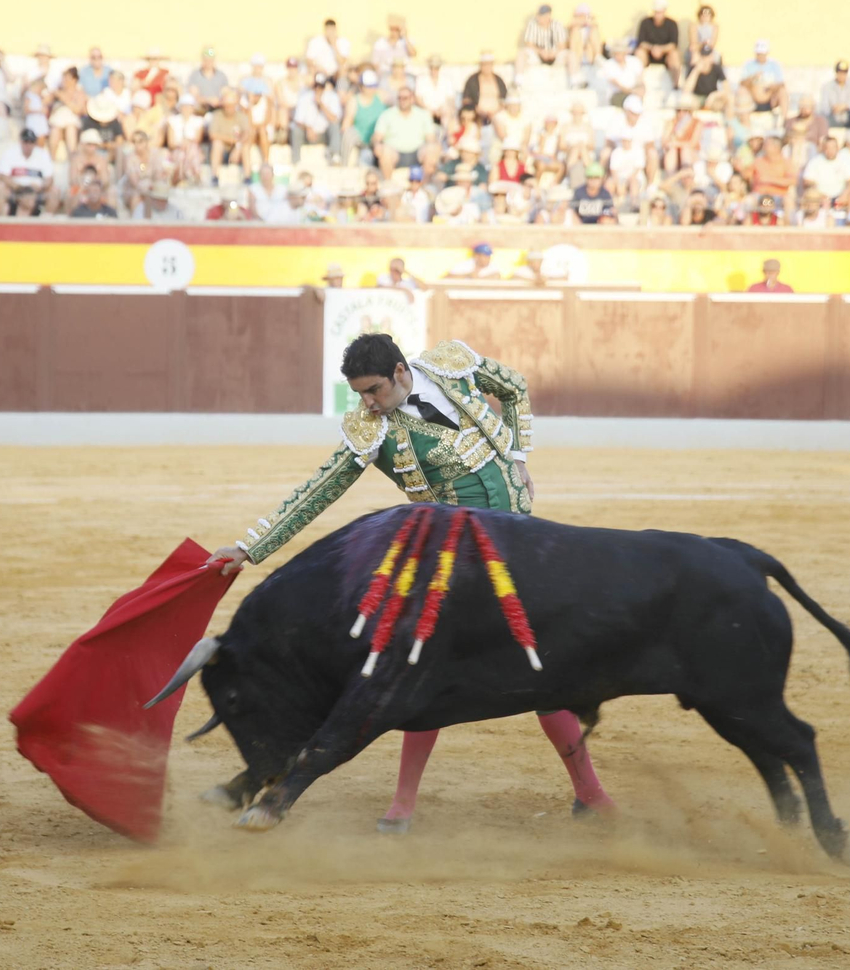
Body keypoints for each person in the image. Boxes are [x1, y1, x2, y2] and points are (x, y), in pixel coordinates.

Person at [206, 333, 614, 833]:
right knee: (423, 664)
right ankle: (401, 805)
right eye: (359, 394)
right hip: (456, 561)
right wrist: (250, 547)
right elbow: (320, 488)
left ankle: (590, 795)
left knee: (546, 669)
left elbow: (513, 387)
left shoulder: (451, 364)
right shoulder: (370, 429)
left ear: (401, 372)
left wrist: (518, 454)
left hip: (523, 547)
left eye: (374, 390)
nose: (368, 403)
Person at [290, 73, 342, 164]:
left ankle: (334, 156)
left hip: (324, 134)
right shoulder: (305, 97)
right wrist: (308, 128)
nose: (318, 89)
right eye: (316, 86)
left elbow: (334, 119)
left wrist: (321, 104)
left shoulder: (332, 97)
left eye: (320, 87)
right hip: (307, 133)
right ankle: (296, 161)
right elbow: (298, 120)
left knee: (335, 126)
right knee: (296, 131)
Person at [636, 0, 682, 87]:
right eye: (656, 12)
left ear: (664, 11)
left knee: (674, 54)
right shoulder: (645, 22)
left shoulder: (672, 24)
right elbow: (641, 42)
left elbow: (673, 44)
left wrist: (660, 50)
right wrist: (652, 48)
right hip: (648, 54)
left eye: (660, 12)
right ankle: (639, 83)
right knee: (639, 53)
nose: (657, 15)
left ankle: (675, 85)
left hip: (665, 55)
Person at [460, 52, 508, 127]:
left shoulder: (499, 80)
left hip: (497, 114)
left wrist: (496, 111)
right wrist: (477, 110)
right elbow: (466, 99)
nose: (487, 67)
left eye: (489, 64)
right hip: (478, 115)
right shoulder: (472, 80)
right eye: (484, 64)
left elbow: (505, 99)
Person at [740, 39, 786, 116]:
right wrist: (753, 78)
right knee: (742, 91)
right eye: (759, 54)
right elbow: (742, 83)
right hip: (753, 97)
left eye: (762, 54)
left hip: (771, 97)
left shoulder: (774, 65)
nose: (760, 56)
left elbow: (781, 83)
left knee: (783, 92)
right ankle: (745, 122)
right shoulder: (749, 65)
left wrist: (773, 88)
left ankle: (785, 120)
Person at [817, 60, 850, 131]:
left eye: (844, 73)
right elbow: (823, 106)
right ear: (836, 72)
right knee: (820, 115)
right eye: (840, 72)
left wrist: (845, 106)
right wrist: (833, 108)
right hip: (833, 117)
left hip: (848, 117)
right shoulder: (827, 86)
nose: (842, 75)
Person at [518, 4, 565, 75]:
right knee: (522, 53)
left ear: (549, 15)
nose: (540, 18)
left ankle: (576, 80)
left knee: (571, 55)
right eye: (539, 15)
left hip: (555, 55)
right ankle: (518, 80)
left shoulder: (557, 24)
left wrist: (554, 52)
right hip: (538, 56)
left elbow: (562, 44)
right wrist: (540, 52)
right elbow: (529, 43)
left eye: (542, 16)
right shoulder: (533, 24)